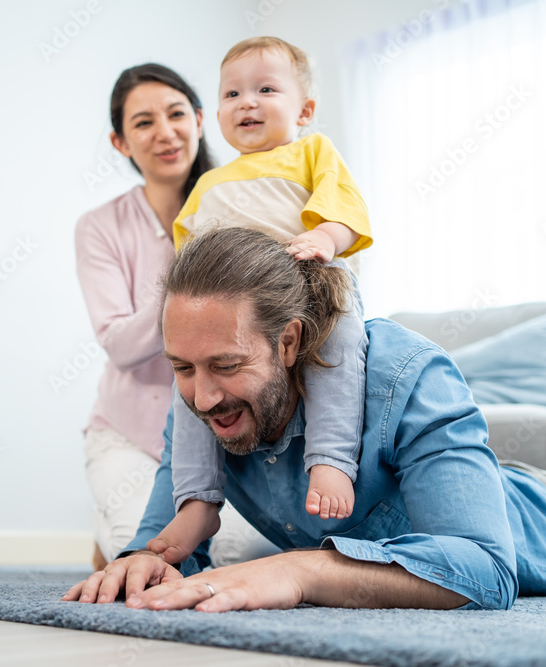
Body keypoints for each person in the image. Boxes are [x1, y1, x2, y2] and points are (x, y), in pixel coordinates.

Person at [63, 227, 546, 612]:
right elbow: (168, 542)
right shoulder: (200, 398)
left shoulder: (404, 371)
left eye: (225, 364)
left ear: (287, 342)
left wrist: (299, 570)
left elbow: (486, 569)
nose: (202, 397)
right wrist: (142, 560)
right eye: (182, 368)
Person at [147, 36, 375, 566]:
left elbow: (347, 210)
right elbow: (191, 260)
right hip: (239, 317)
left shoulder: (312, 153)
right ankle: (198, 500)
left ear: (305, 110)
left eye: (265, 88)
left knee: (339, 354)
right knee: (192, 389)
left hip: (314, 284)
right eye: (231, 94)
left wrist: (326, 240)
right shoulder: (209, 185)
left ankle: (331, 460)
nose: (246, 102)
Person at [74, 64, 279, 569]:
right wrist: (189, 273)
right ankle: (110, 529)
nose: (165, 133)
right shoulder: (99, 227)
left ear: (201, 119)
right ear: (121, 143)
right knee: (153, 558)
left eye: (175, 114)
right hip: (129, 432)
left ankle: (114, 530)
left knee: (239, 552)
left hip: (218, 427)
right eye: (143, 123)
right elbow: (119, 343)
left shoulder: (240, 201)